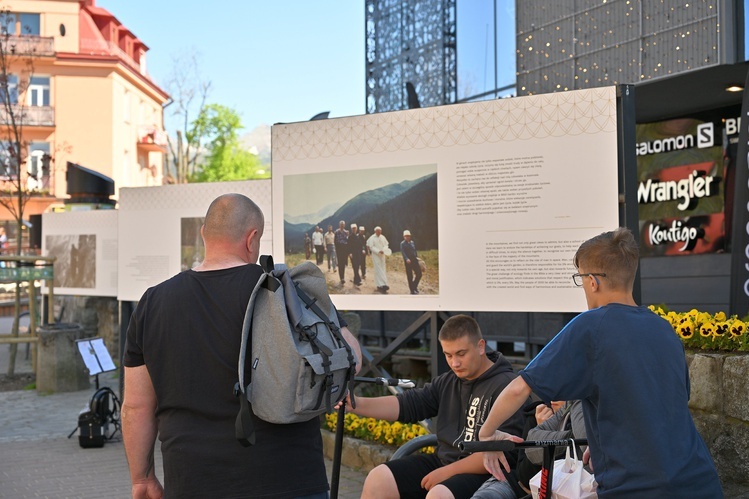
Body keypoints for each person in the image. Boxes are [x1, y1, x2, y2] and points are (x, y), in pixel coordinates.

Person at [121, 193, 362, 499]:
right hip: (290, 478)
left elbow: (137, 406)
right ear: (252, 239)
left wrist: (141, 478)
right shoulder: (287, 294)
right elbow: (349, 359)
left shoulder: (153, 302)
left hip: (193, 481)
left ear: (204, 235)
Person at [478, 228, 723, 498]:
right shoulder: (664, 328)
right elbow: (664, 404)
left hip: (637, 489)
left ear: (592, 281)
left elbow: (519, 388)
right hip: (700, 481)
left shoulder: (591, 326)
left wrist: (487, 435)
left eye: (580, 279)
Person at [347, 314, 526, 499]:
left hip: (488, 473)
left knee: (439, 494)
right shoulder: (448, 381)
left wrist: (447, 472)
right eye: (448, 355)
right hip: (443, 462)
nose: (454, 363)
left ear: (480, 346)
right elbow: (409, 404)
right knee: (379, 478)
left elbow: (503, 452)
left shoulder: (508, 386)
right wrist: (357, 404)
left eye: (461, 354)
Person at [367, 226, 390, 293]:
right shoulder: (372, 238)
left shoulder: (383, 237)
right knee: (378, 269)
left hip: (382, 255)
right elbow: (371, 247)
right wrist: (378, 251)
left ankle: (383, 284)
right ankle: (381, 284)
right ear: (375, 231)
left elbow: (386, 245)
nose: (379, 232)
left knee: (383, 268)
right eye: (378, 231)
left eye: (380, 231)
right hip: (376, 255)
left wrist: (384, 250)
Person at [400, 229, 422, 295]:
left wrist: (417, 257)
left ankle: (414, 286)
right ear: (404, 237)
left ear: (410, 236)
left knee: (419, 274)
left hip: (414, 260)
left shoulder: (412, 242)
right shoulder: (402, 244)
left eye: (408, 236)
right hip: (408, 261)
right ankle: (412, 290)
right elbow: (403, 253)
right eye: (406, 236)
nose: (407, 237)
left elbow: (414, 251)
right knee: (410, 276)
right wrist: (406, 259)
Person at [334, 220, 349, 286]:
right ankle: (342, 278)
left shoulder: (346, 232)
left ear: (344, 225)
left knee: (344, 263)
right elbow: (335, 241)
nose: (342, 225)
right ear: (339, 225)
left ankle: (343, 276)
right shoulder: (336, 232)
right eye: (341, 224)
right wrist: (337, 248)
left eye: (343, 224)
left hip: (345, 249)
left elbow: (348, 241)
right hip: (339, 249)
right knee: (340, 263)